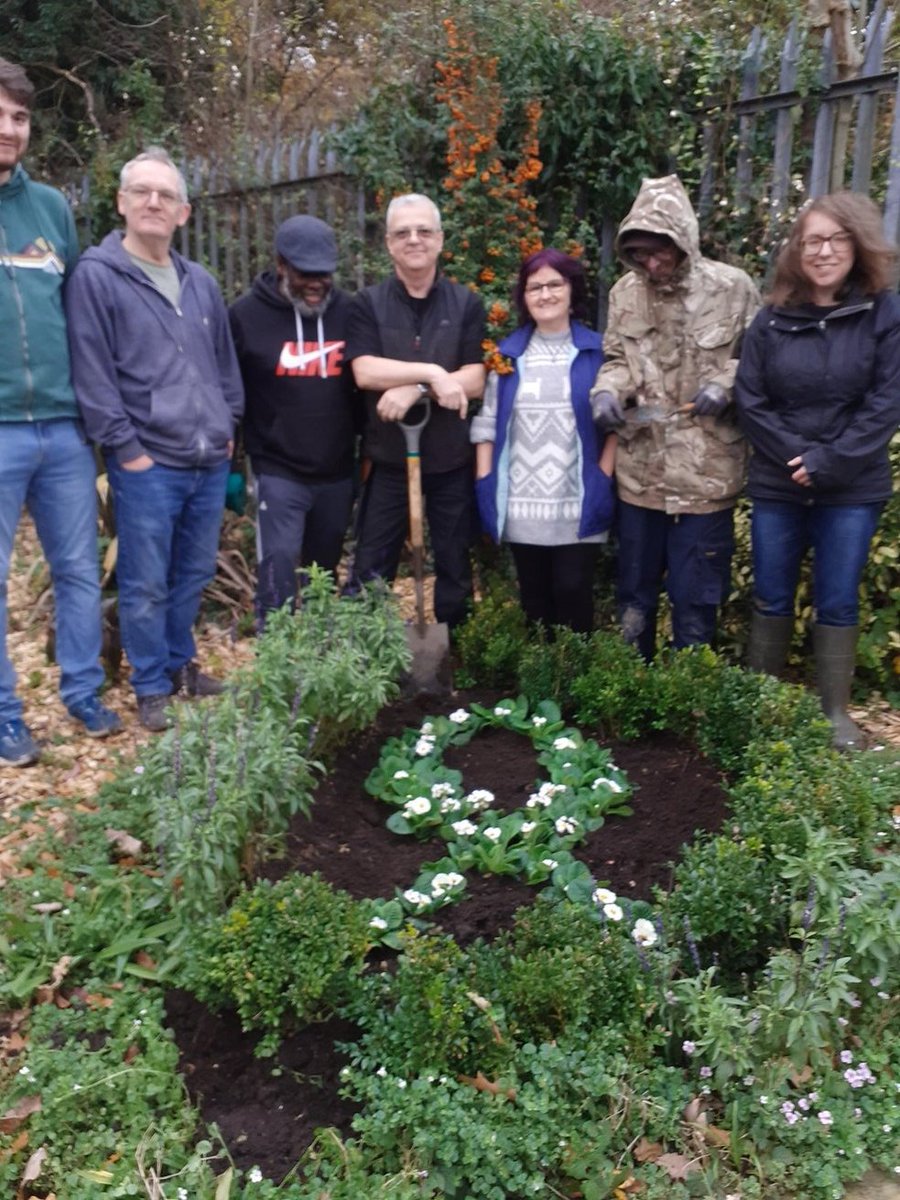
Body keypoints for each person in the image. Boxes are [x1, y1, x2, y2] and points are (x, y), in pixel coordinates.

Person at [66, 147, 244, 732]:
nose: (153, 202)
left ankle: (178, 666)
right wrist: (126, 449)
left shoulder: (200, 283)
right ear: (121, 202)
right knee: (144, 580)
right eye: (141, 192)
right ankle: (148, 685)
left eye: (165, 195)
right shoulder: (98, 277)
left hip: (206, 458)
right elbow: (93, 374)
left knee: (192, 573)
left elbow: (224, 365)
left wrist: (227, 428)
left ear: (184, 212)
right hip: (148, 463)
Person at [735, 192, 900, 750]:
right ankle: (761, 705)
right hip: (780, 484)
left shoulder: (885, 314)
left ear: (857, 245)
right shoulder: (771, 319)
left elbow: (886, 401)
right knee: (772, 594)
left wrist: (829, 461)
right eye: (812, 240)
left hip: (852, 486)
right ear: (796, 251)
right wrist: (797, 459)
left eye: (836, 239)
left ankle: (834, 715)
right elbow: (751, 398)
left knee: (836, 598)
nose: (824, 251)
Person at [0, 57, 121, 766]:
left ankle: (82, 691)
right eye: (0, 115)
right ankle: (6, 714)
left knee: (77, 569)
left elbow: (75, 312)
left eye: (18, 117)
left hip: (63, 432)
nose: (8, 129)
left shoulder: (49, 208)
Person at [592, 174, 760, 660]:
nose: (652, 262)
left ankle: (688, 703)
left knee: (695, 604)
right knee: (633, 600)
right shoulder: (625, 293)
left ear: (683, 238)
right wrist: (606, 393)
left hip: (705, 479)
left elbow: (759, 361)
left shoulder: (733, 288)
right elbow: (616, 360)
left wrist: (724, 385)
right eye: (640, 252)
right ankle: (631, 698)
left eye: (661, 249)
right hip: (640, 475)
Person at [344, 193, 486, 628]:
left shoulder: (466, 304)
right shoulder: (366, 304)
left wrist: (415, 388)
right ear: (388, 243)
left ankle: (453, 659)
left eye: (424, 230)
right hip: (388, 461)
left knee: (455, 569)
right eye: (403, 232)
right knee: (370, 566)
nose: (414, 239)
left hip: (449, 461)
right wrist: (431, 373)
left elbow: (475, 379)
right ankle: (363, 661)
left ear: (440, 240)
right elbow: (365, 371)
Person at [471, 248, 616, 633]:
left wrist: (604, 474)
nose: (545, 294)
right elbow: (485, 424)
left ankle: (574, 687)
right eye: (535, 287)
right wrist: (485, 481)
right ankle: (539, 689)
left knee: (573, 593)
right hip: (522, 505)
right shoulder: (508, 356)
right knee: (534, 602)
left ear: (572, 291)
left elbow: (618, 426)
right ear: (524, 296)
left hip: (577, 501)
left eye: (555, 284)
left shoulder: (596, 352)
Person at [229, 215, 360, 621]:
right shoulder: (246, 316)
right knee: (279, 567)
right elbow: (229, 391)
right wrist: (232, 464)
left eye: (325, 274)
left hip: (337, 470)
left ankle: (318, 657)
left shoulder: (350, 313)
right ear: (281, 265)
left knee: (321, 574)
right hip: (278, 468)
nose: (317, 283)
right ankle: (278, 659)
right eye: (306, 274)